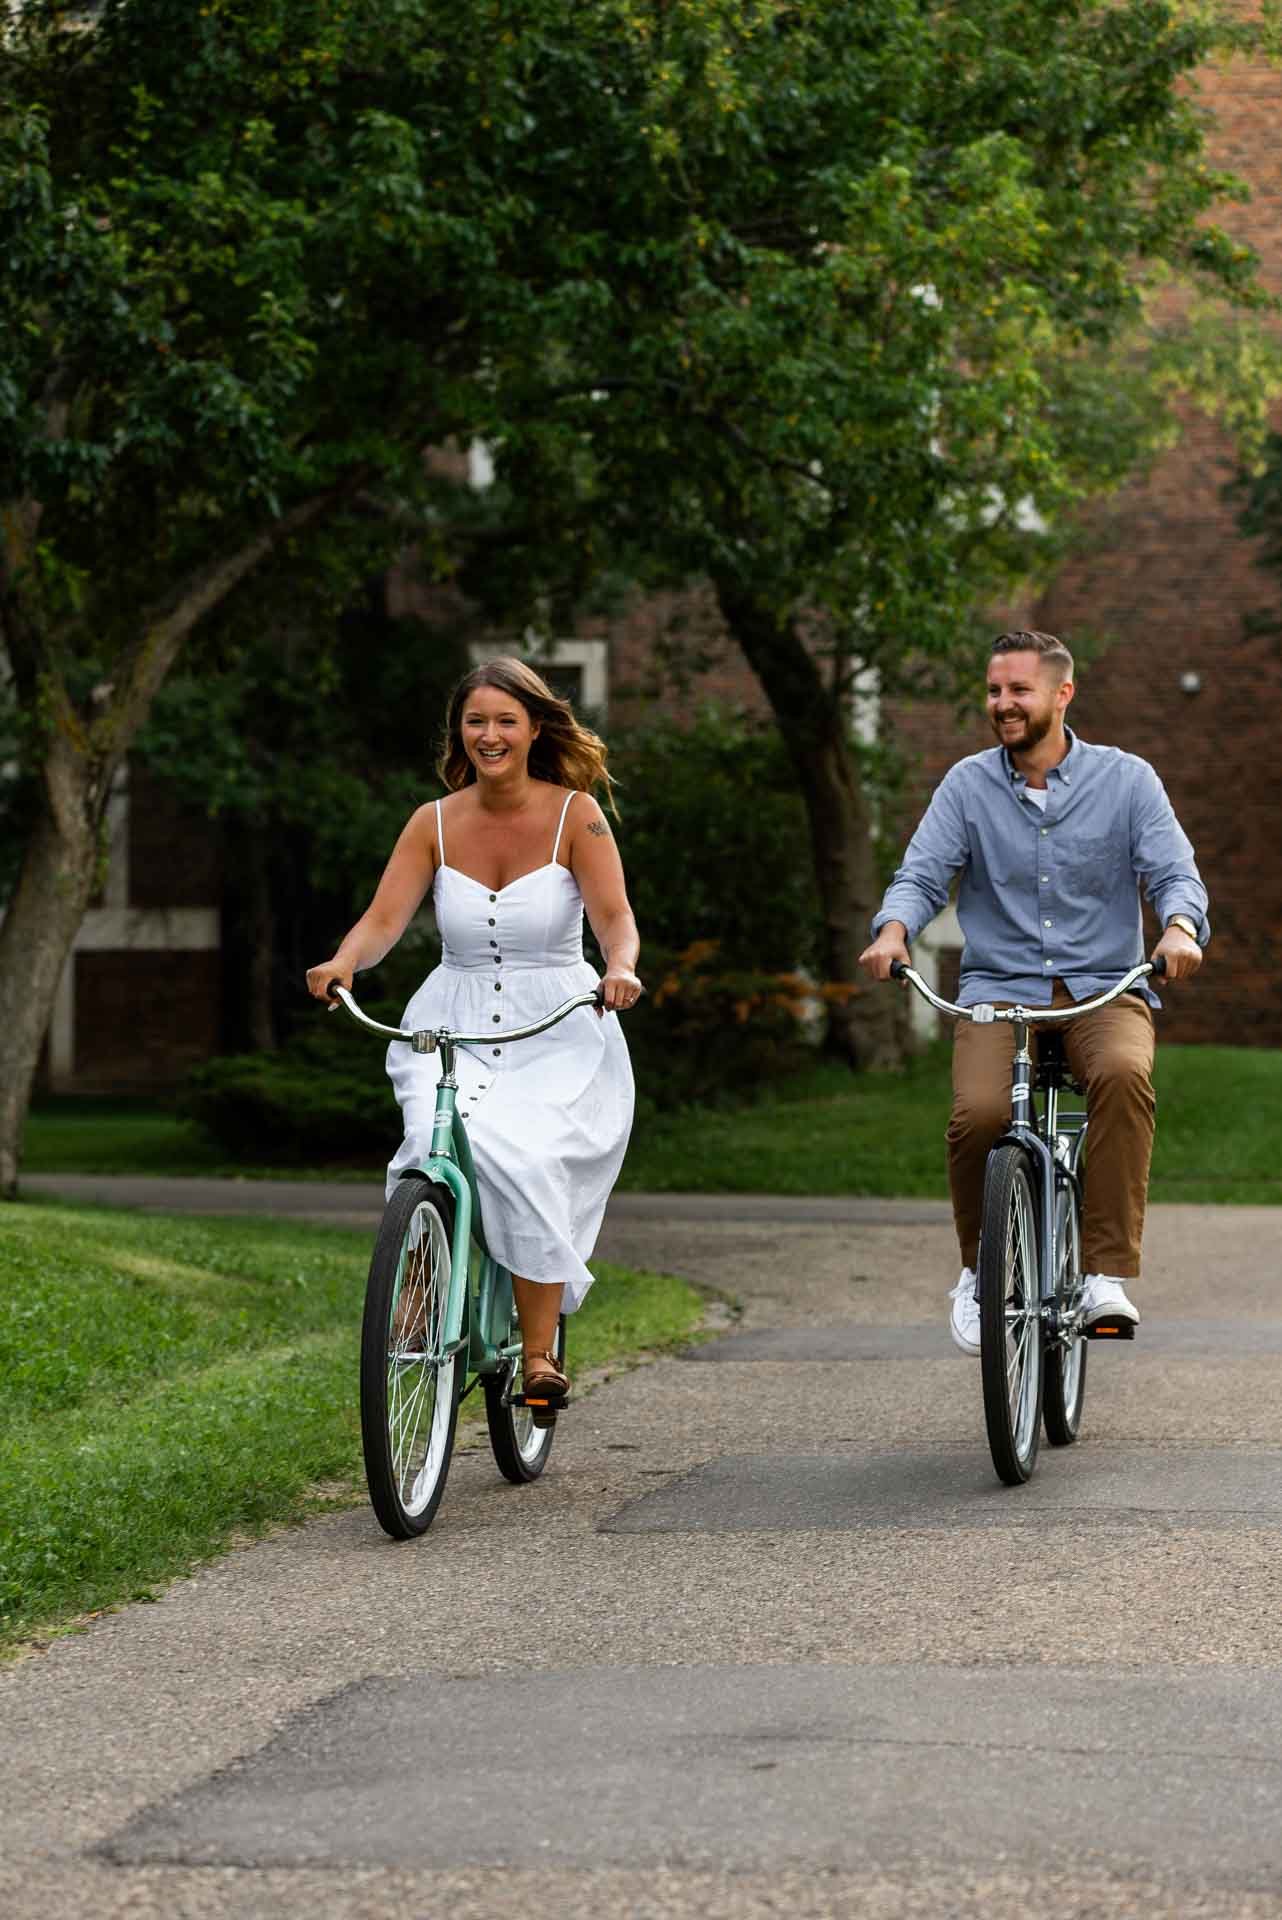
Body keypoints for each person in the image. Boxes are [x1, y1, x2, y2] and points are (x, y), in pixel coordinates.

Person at [306, 656, 641, 1414]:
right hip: (449, 1020)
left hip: (557, 1024)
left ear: (534, 729)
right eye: (476, 721)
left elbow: (614, 918)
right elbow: (386, 919)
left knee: (527, 1152)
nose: (489, 735)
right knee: (430, 1142)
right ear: (461, 731)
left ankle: (539, 1348)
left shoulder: (575, 813)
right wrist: (343, 961)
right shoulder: (432, 821)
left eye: (505, 721)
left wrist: (620, 967)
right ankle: (419, 1296)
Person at [858, 629, 1207, 1353]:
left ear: (1061, 694)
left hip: (1103, 990)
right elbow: (922, 875)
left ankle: (1104, 1274)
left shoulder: (1127, 781)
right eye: (994, 691)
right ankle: (979, 1275)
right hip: (999, 993)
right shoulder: (967, 785)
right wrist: (894, 931)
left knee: (1121, 1074)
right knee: (980, 1115)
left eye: (1019, 690)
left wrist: (1177, 928)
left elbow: (1174, 872)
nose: (1003, 704)